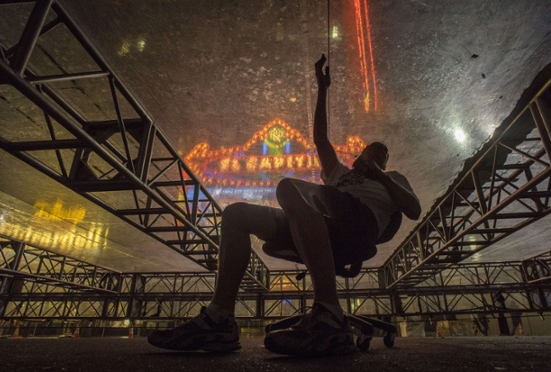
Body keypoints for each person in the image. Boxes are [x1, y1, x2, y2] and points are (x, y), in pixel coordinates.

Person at [147, 54, 421, 356]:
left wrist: (381, 175)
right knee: (236, 215)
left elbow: (414, 210)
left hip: (358, 226)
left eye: (381, 154)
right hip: (322, 222)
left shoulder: (393, 178)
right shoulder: (341, 174)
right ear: (358, 156)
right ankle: (219, 319)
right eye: (371, 151)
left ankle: (329, 316)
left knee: (288, 187)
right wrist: (322, 88)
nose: (375, 155)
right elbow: (320, 139)